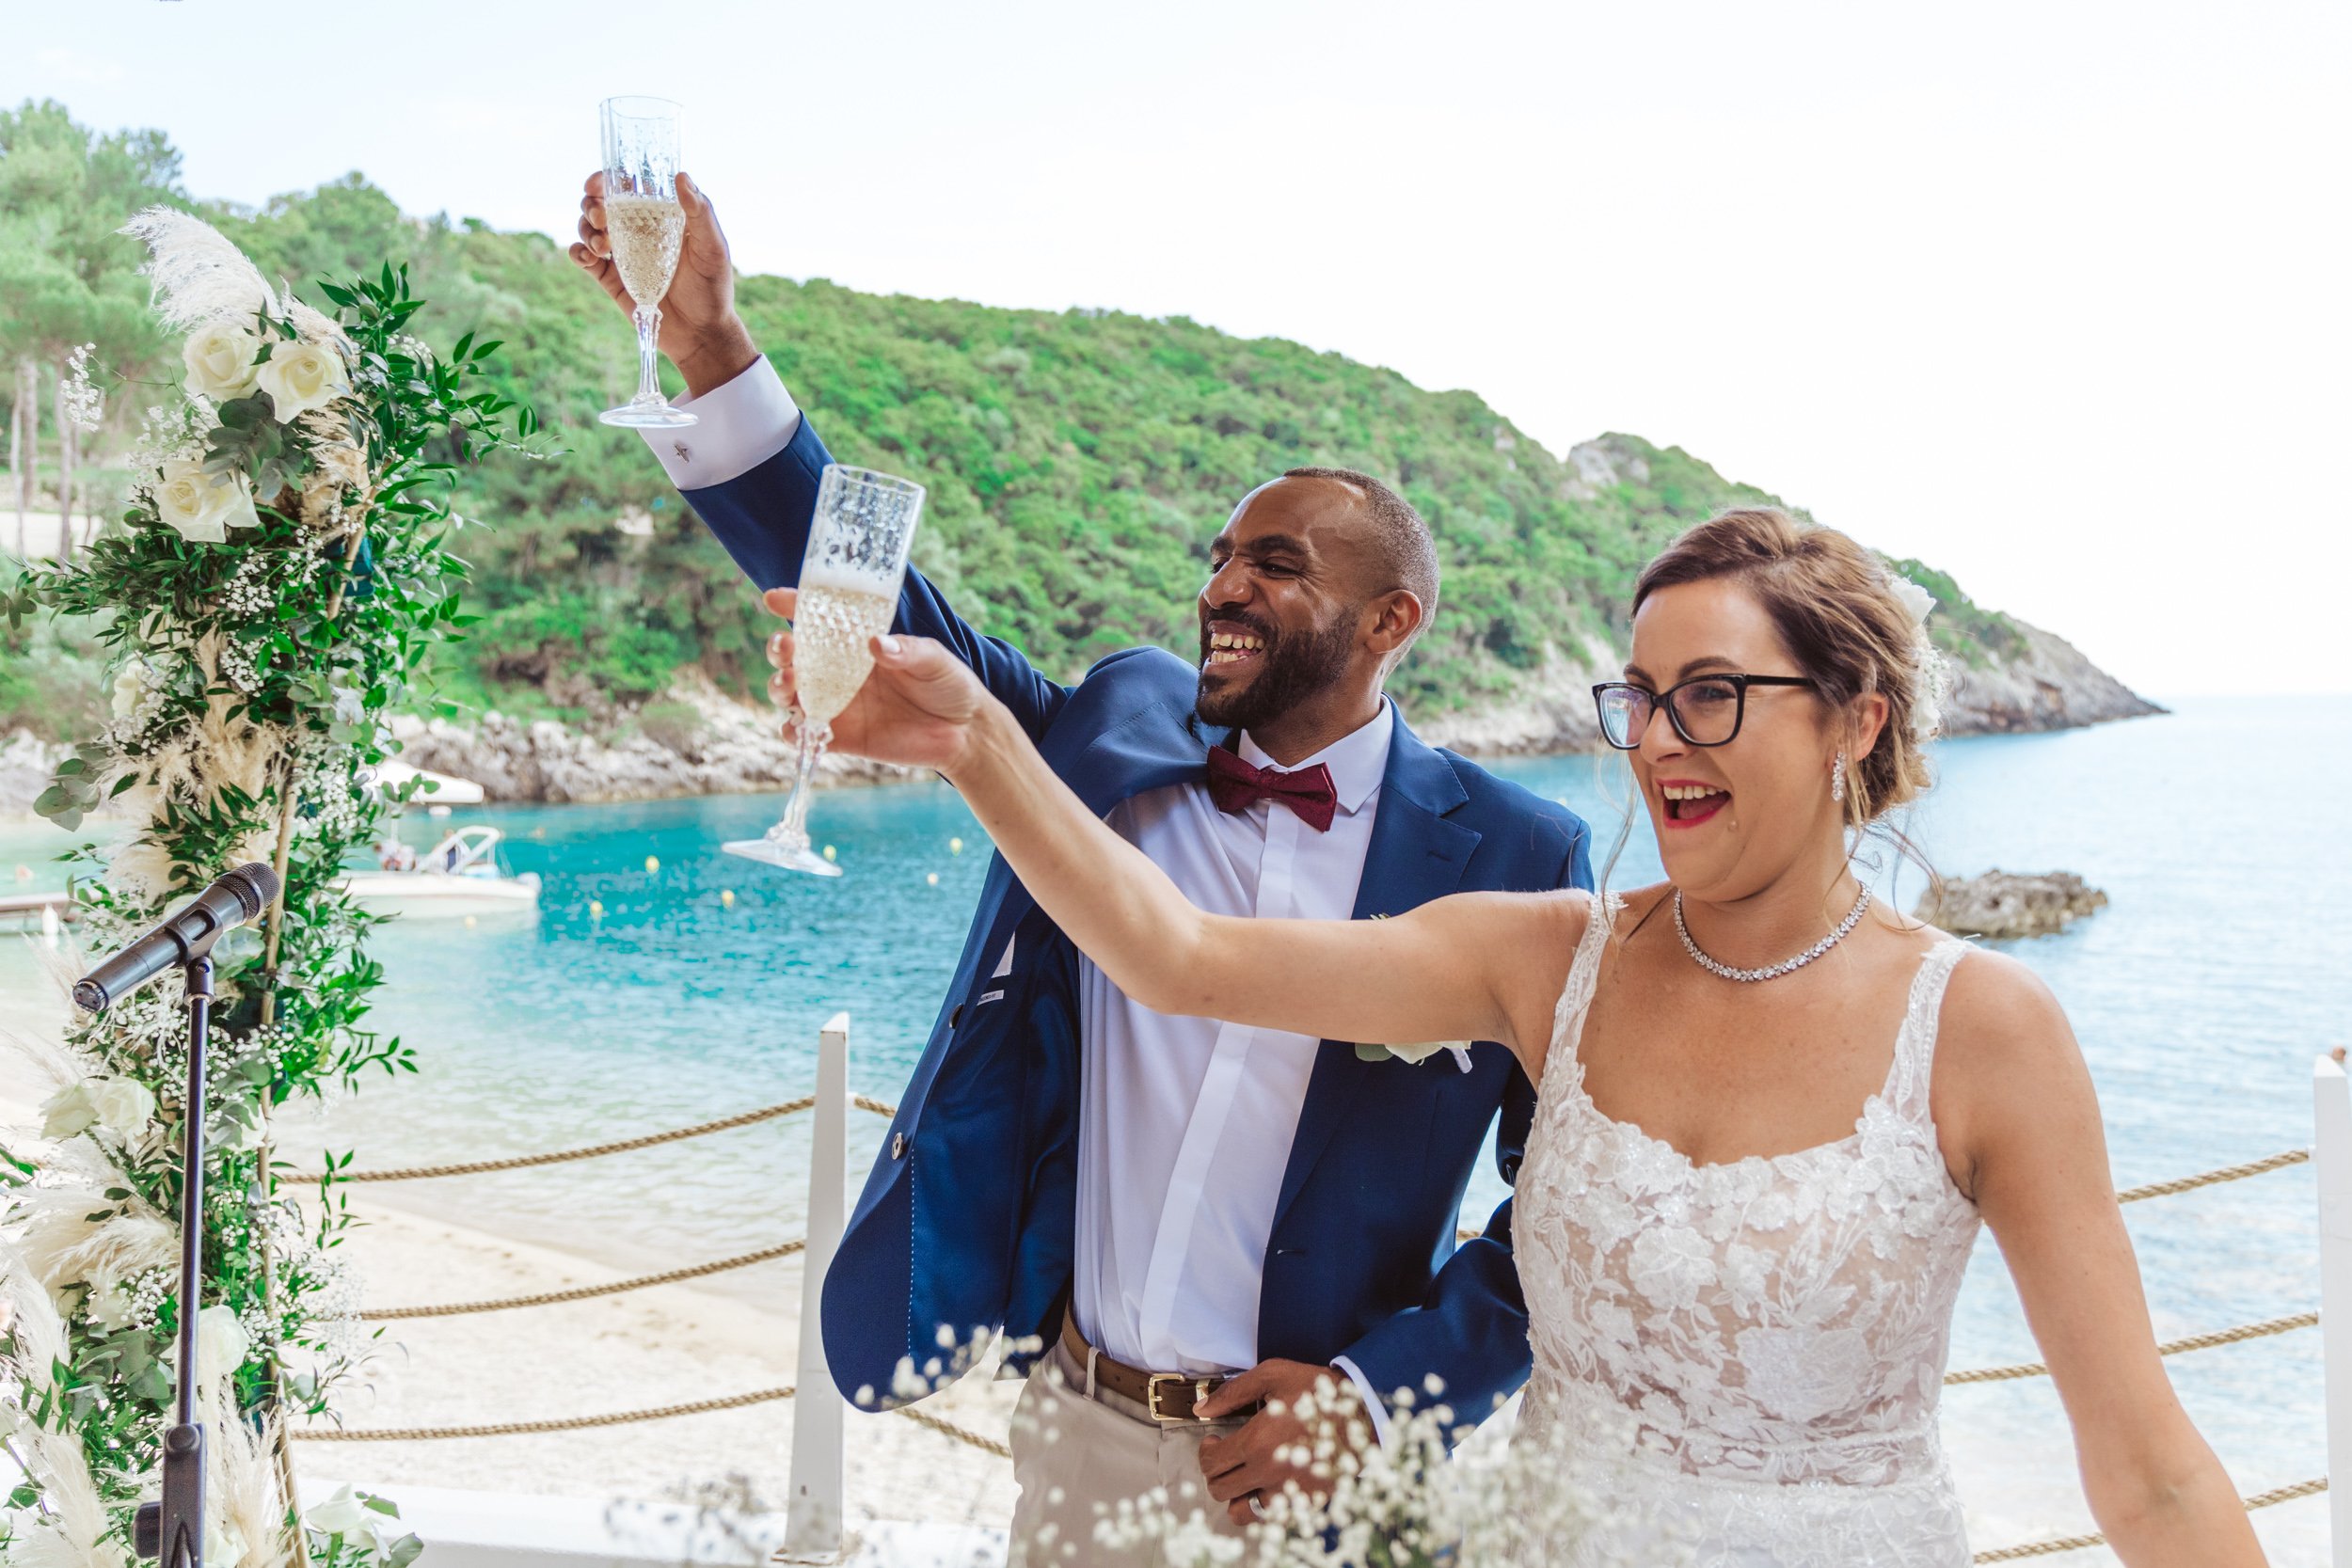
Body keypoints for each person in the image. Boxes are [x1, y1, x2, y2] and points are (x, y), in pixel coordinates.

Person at [771, 505, 2266, 1566]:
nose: (1664, 737)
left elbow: (2144, 1470)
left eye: (1717, 695)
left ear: (1855, 722)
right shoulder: (1541, 957)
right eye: (1644, 697)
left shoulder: (1985, 1028)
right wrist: (976, 743)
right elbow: (1182, 957)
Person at [571, 175, 1593, 1561]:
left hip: (1319, 1483)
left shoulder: (1526, 858)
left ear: (1389, 618)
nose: (1222, 588)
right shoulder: (1102, 743)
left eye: (1276, 565)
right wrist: (711, 350)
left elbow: (1574, 1211)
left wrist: (1379, 1398)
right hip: (1077, 1442)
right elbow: (877, 597)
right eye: (1220, 557)